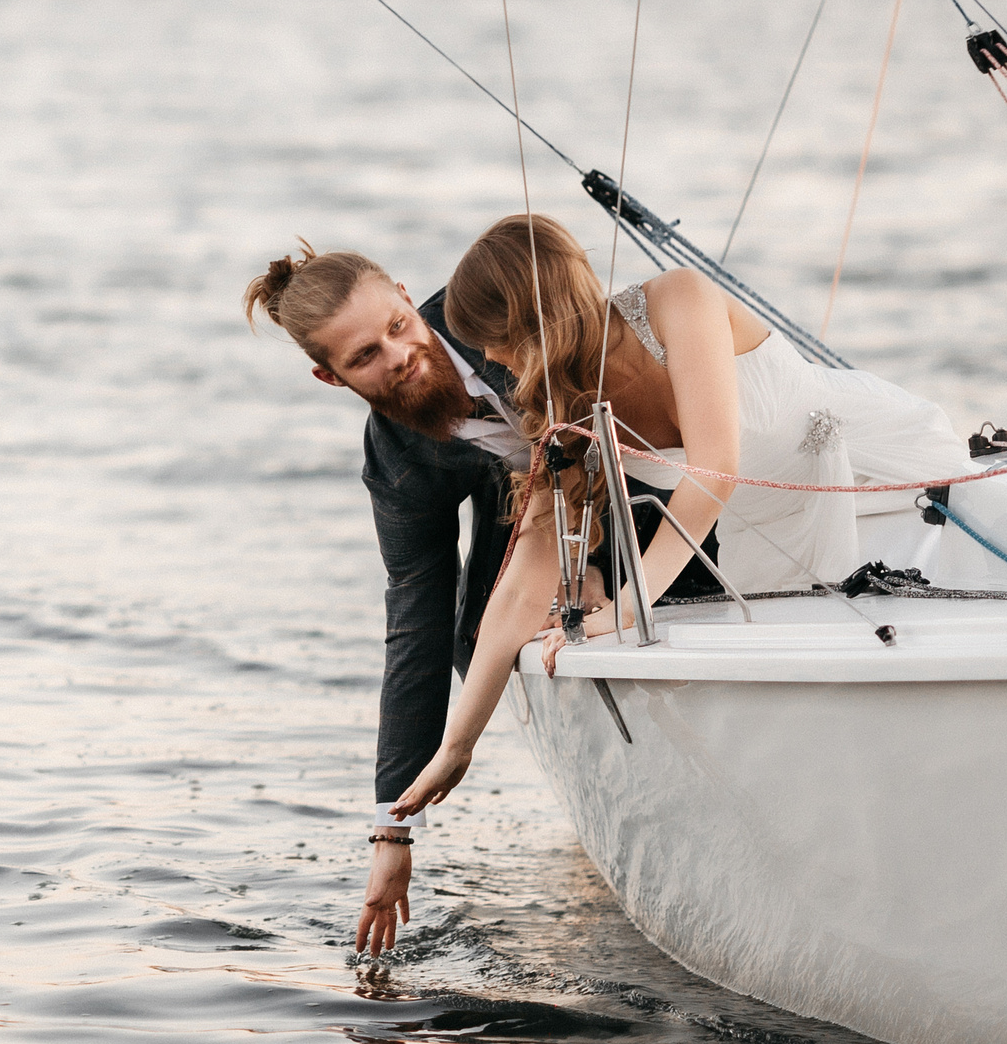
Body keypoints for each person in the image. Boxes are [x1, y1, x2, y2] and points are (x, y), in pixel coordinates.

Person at [380, 214, 970, 871]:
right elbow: (526, 575)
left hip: (872, 456)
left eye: (491, 341)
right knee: (805, 652)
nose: (488, 361)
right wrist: (460, 742)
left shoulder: (676, 301)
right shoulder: (560, 408)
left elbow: (715, 465)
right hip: (769, 530)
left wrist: (627, 611)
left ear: (528, 325)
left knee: (990, 528)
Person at [242, 242, 716, 964]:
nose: (397, 355)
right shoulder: (398, 459)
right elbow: (414, 624)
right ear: (328, 376)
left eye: (399, 325)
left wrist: (591, 567)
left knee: (573, 567)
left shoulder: (495, 320)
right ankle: (623, 772)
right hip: (532, 507)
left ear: (407, 294)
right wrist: (391, 831)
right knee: (468, 633)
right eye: (364, 355)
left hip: (649, 469)